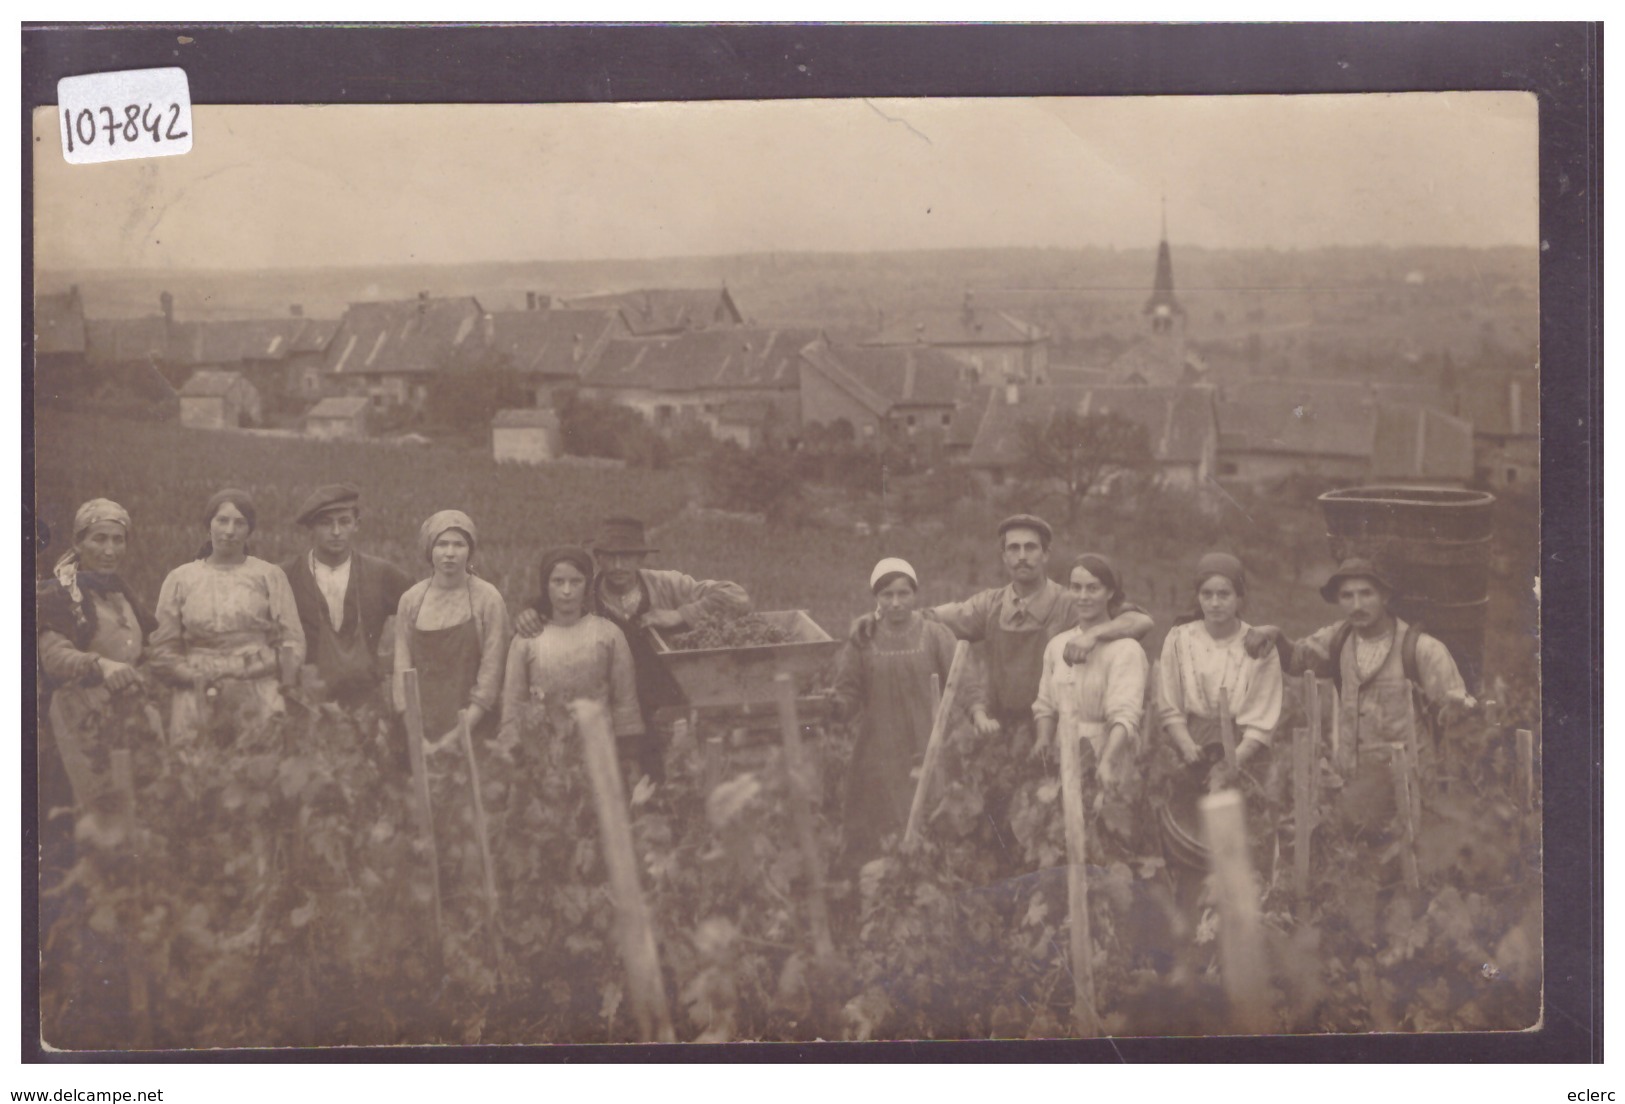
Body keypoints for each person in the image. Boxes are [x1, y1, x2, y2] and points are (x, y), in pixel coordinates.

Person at [856, 514, 1153, 749]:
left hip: (1051, 730)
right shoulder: (990, 604)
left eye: (1030, 547)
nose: (1022, 556)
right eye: (1014, 548)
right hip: (998, 729)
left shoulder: (1070, 601)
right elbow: (928, 617)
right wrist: (878, 615)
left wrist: (1093, 635)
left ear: (1046, 554)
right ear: (1004, 557)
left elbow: (1140, 621)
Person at [514, 516, 749, 780]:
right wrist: (528, 614)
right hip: (615, 713)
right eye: (610, 557)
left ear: (640, 558)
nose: (618, 565)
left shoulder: (666, 584)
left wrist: (680, 614)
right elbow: (543, 606)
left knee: (674, 779)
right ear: (598, 558)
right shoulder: (584, 593)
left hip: (666, 705)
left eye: (626, 557)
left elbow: (736, 597)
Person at [1252, 556, 1475, 763]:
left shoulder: (1423, 650)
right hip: (1354, 780)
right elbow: (1296, 660)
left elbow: (1459, 720)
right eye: (1347, 596)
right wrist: (1276, 635)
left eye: (1366, 594)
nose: (1357, 605)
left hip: (1410, 782)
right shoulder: (1337, 640)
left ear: (1385, 596)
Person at [828, 558, 958, 868]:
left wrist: (977, 712)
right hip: (880, 750)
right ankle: (884, 891)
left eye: (904, 594)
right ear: (876, 599)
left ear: (915, 595)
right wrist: (835, 705)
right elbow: (848, 692)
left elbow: (962, 682)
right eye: (887, 595)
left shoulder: (936, 635)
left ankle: (933, 884)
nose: (896, 603)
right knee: (881, 826)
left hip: (929, 742)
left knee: (933, 817)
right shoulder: (863, 640)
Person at [148, 489, 305, 743]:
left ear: (249, 530)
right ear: (208, 526)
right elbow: (161, 650)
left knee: (258, 767)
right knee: (196, 772)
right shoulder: (181, 579)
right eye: (222, 520)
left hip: (257, 688)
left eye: (239, 523)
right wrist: (194, 676)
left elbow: (293, 643)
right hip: (197, 692)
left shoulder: (269, 576)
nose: (230, 531)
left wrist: (258, 671)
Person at [35, 498, 159, 815]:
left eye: (118, 540)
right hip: (79, 720)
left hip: (127, 717)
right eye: (99, 538)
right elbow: (54, 656)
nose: (110, 549)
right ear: (79, 542)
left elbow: (143, 649)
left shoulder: (121, 592)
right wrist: (100, 664)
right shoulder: (58, 594)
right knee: (93, 818)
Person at [500, 545, 643, 763]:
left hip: (598, 755)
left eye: (575, 582)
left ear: (586, 586)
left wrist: (628, 761)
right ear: (546, 586)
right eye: (558, 582)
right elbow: (513, 704)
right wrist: (512, 752)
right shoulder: (527, 639)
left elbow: (626, 703)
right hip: (543, 757)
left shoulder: (608, 635)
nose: (566, 591)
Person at [280, 483, 414, 708]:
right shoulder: (285, 576)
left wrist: (388, 663)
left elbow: (427, 614)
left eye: (344, 522)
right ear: (311, 527)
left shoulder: (381, 573)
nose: (336, 532)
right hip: (305, 703)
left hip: (366, 704)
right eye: (325, 523)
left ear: (356, 525)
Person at [392, 510, 511, 751]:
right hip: (418, 733)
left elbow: (490, 678)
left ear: (470, 550)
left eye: (459, 544)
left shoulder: (488, 599)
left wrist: (457, 736)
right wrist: (416, 735)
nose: (450, 553)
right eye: (442, 544)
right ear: (429, 550)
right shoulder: (411, 600)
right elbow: (401, 671)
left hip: (474, 732)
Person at [1154, 552, 1283, 770]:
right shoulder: (1179, 639)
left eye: (1224, 594)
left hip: (1245, 748)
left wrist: (1233, 762)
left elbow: (1262, 718)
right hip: (1189, 743)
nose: (1215, 603)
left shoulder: (1259, 644)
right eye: (1207, 594)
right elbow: (1170, 706)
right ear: (1198, 597)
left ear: (1239, 598)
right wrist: (1186, 747)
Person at [1033, 554, 1149, 789]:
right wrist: (1043, 740)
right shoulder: (1057, 645)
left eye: (1093, 588)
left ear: (1110, 593)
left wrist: (1107, 761)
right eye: (1076, 588)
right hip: (1062, 752)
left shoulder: (1127, 650)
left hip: (1109, 753)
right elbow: (1045, 704)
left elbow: (1125, 716)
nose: (1083, 597)